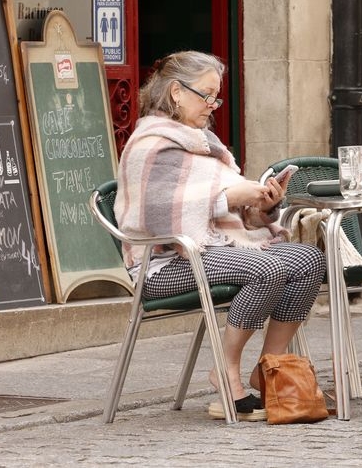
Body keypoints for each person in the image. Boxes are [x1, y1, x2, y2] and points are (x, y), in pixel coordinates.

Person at [114, 51, 325, 421]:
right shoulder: (148, 145)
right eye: (206, 95)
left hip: (213, 249)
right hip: (164, 264)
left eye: (216, 97)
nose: (212, 105)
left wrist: (262, 205)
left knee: (309, 260)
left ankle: (269, 367)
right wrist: (229, 197)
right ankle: (226, 370)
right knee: (266, 269)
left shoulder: (204, 142)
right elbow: (157, 215)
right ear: (176, 92)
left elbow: (230, 214)